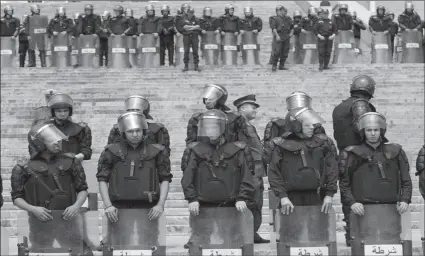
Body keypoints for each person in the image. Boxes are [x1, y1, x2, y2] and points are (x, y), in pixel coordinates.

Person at [181, 109, 256, 253]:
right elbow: (187, 177)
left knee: (232, 242)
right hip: (202, 206)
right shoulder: (196, 149)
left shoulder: (238, 149)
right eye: (207, 127)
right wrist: (192, 199)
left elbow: (247, 176)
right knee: (199, 241)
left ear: (222, 128)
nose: (210, 130)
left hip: (231, 206)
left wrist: (242, 198)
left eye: (214, 127)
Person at [11, 123, 90, 254]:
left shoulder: (71, 161)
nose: (58, 143)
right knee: (41, 252)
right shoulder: (23, 167)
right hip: (40, 224)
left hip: (68, 222)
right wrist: (33, 209)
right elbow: (16, 197)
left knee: (83, 252)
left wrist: (76, 206)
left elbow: (82, 189)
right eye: (52, 140)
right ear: (39, 143)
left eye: (58, 140)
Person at [97, 111, 172, 245]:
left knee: (149, 245)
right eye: (131, 131)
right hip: (118, 208)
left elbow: (165, 179)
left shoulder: (157, 151)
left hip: (149, 208)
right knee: (119, 245)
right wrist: (108, 205)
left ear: (144, 131)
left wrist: (160, 205)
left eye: (138, 130)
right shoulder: (111, 151)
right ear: (124, 132)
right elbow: (102, 180)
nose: (135, 134)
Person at [339, 112, 412, 239]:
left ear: (381, 131)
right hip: (363, 209)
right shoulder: (352, 153)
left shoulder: (396, 151)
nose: (373, 133)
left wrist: (405, 199)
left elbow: (406, 179)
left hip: (391, 208)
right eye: (369, 130)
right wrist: (352, 202)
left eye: (376, 130)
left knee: (390, 243)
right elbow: (344, 183)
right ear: (363, 131)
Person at [267, 107, 338, 232]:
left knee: (318, 234)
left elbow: (331, 169)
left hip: (317, 196)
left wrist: (329, 194)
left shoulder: (322, 143)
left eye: (312, 124)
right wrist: (282, 197)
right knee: (290, 234)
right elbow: (274, 173)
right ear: (296, 126)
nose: (312, 127)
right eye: (307, 125)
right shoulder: (281, 145)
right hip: (290, 198)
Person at [332, 75, 376, 246]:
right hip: (360, 155)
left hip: (344, 154)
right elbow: (363, 126)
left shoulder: (339, 107)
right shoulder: (360, 104)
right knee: (365, 193)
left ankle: (351, 233)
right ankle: (362, 232)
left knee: (348, 194)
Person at [233, 95, 269, 244]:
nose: (255, 109)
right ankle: (244, 233)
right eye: (252, 107)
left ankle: (252, 232)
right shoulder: (238, 125)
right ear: (242, 109)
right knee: (249, 202)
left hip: (257, 170)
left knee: (257, 202)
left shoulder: (248, 125)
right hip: (248, 171)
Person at [106, 95, 170, 155]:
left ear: (144, 112)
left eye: (137, 110)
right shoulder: (117, 129)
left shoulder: (157, 129)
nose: (133, 112)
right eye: (130, 110)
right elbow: (110, 152)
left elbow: (164, 154)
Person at [44, 93, 92, 162]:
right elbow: (38, 149)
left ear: (69, 111)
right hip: (51, 165)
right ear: (53, 112)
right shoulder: (46, 129)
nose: (63, 114)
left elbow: (87, 150)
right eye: (59, 111)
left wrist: (78, 157)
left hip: (73, 165)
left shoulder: (80, 129)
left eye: (65, 110)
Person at [176, 7, 201, 72]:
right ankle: (186, 66)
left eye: (192, 12)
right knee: (186, 51)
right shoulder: (183, 18)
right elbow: (184, 27)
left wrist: (189, 27)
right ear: (187, 12)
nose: (191, 14)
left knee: (195, 51)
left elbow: (198, 27)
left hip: (194, 36)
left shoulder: (196, 18)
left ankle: (196, 66)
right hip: (186, 36)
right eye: (190, 12)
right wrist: (194, 27)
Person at [270, 6, 293, 71]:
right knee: (277, 51)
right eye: (284, 11)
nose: (285, 12)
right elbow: (273, 28)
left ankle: (281, 65)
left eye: (286, 11)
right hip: (279, 35)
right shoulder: (275, 18)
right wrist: (277, 35)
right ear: (280, 11)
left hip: (286, 36)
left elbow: (292, 27)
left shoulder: (288, 18)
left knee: (285, 51)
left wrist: (291, 33)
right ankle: (274, 65)